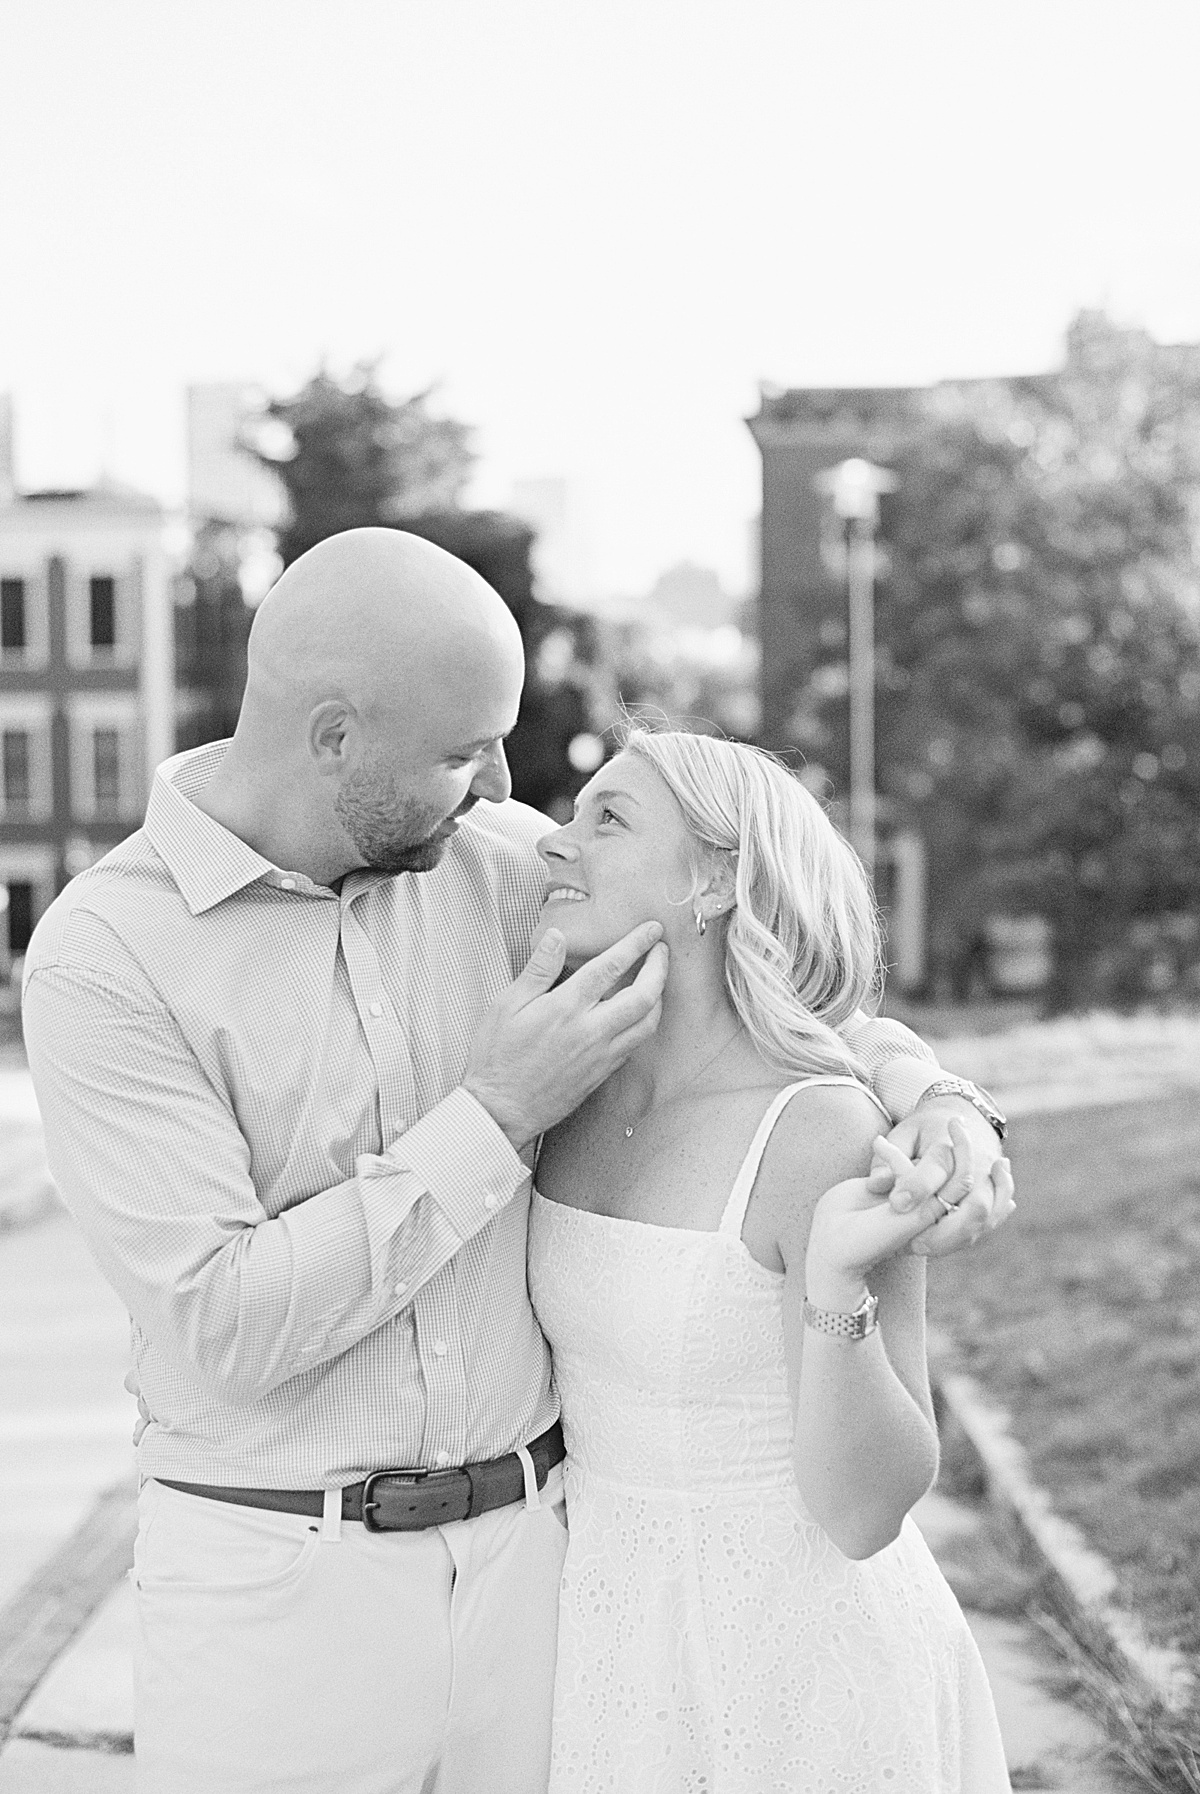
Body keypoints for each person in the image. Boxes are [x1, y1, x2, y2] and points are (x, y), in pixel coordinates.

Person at [21, 529, 1011, 1794]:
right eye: (461, 749)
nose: (502, 783)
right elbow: (224, 1321)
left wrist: (941, 1097)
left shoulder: (499, 870)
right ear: (337, 738)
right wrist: (493, 1114)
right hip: (275, 1599)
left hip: (546, 1577)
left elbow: (753, 993)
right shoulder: (107, 960)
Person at [529, 727, 1014, 1792]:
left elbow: (866, 1509)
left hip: (803, 1665)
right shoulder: (562, 1088)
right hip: (609, 1638)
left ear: (714, 879)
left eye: (606, 819)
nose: (553, 845)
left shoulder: (818, 1131)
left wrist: (838, 1287)